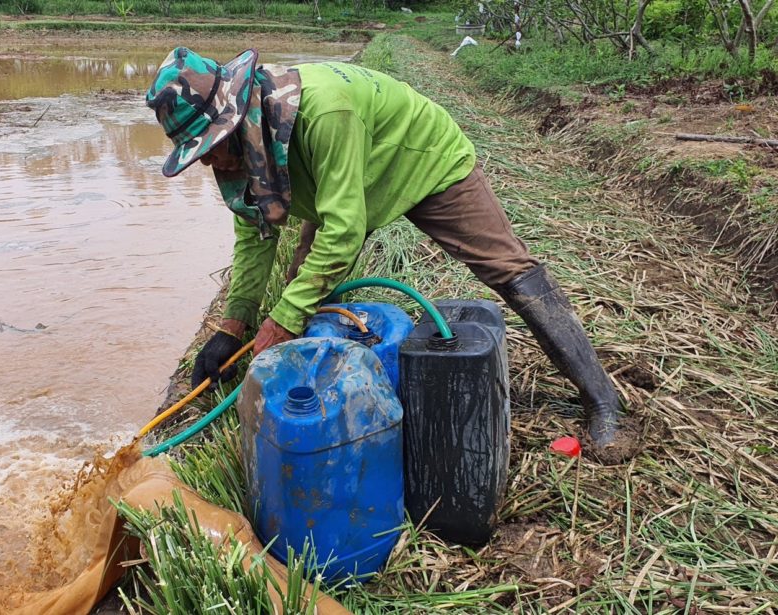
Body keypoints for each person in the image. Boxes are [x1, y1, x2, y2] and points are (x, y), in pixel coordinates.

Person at [145, 47, 621, 449]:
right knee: (302, 292)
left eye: (209, 143)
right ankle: (323, 405)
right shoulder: (239, 146)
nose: (207, 157)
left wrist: (283, 319)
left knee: (508, 269)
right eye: (198, 149)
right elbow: (254, 233)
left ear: (235, 114)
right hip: (348, 186)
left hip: (421, 158)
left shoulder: (323, 112)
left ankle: (602, 400)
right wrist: (235, 325)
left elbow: (343, 231)